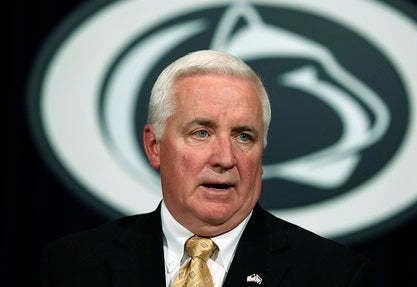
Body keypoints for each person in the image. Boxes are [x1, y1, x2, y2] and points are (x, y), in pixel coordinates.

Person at [40, 50, 376, 286]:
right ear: (155, 146)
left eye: (244, 136)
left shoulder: (334, 275)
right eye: (201, 133)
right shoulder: (71, 266)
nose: (224, 158)